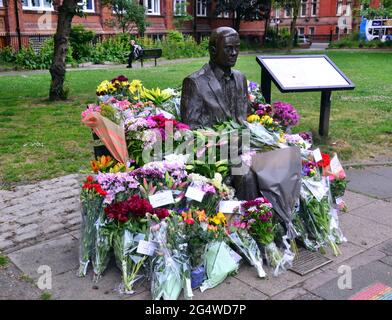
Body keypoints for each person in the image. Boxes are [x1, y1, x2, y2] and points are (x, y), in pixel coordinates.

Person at [180, 27, 251, 129]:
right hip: (213, 143)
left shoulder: (240, 78)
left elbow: (247, 115)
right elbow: (191, 126)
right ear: (213, 51)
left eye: (237, 47)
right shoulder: (195, 82)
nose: (234, 53)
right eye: (228, 48)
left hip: (245, 141)